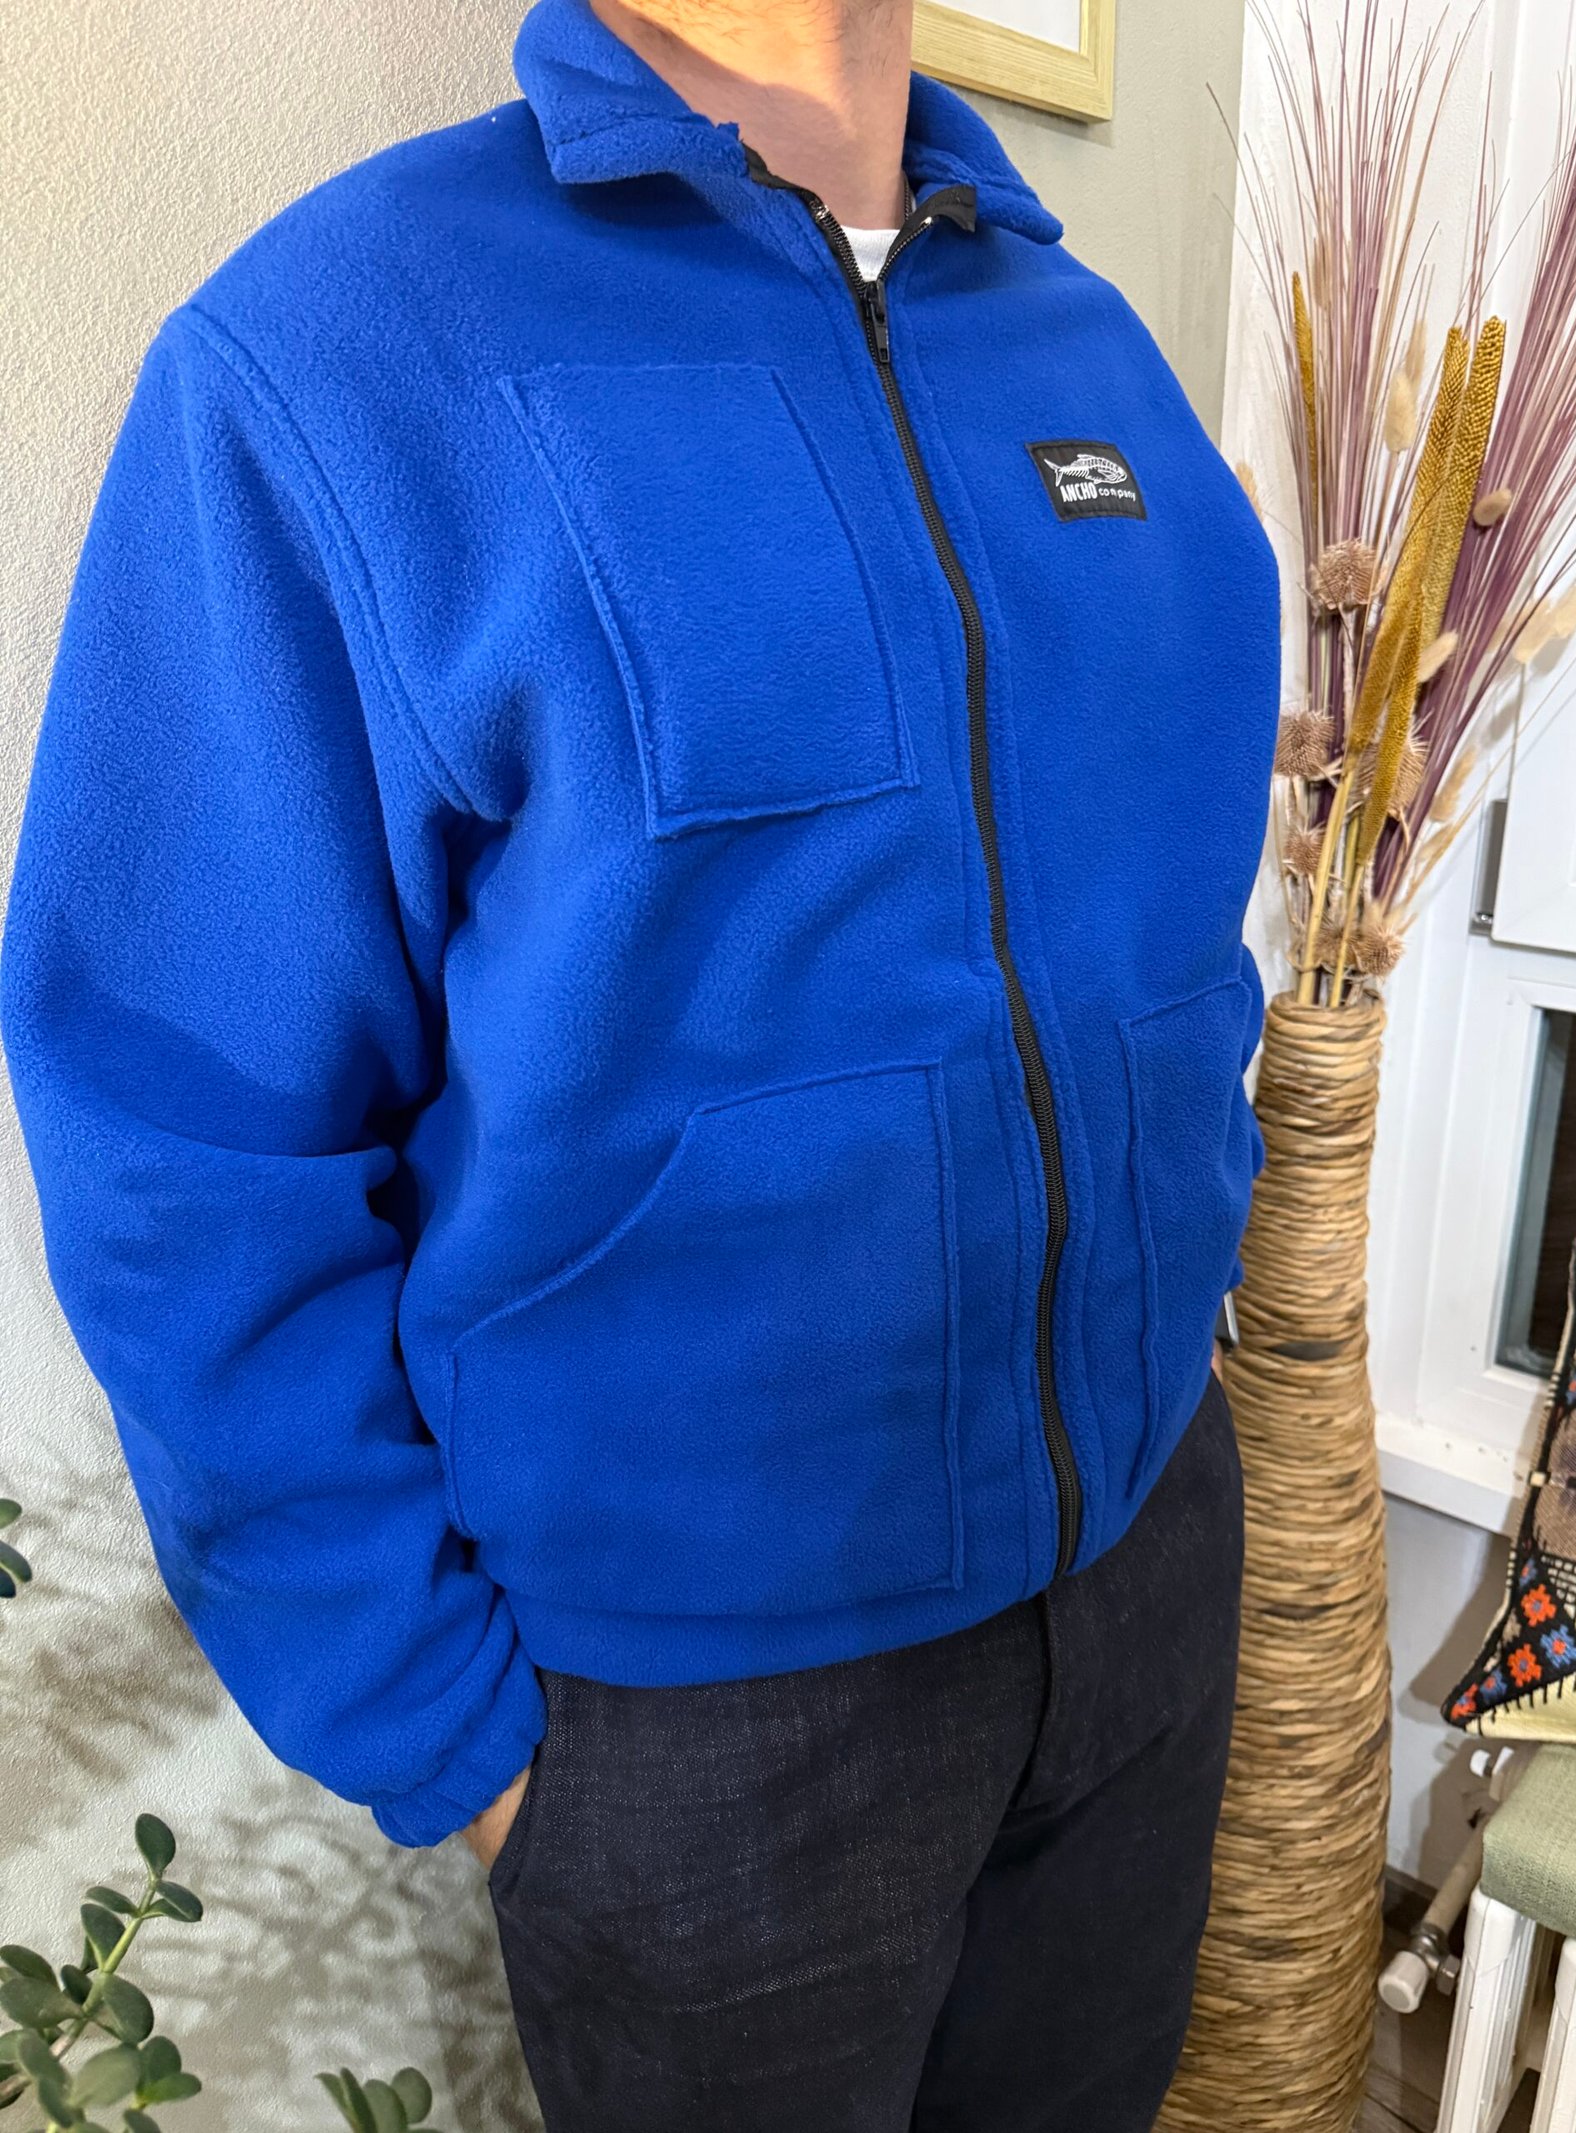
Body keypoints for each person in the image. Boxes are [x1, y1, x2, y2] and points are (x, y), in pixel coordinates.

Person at [2, 0, 1280, 2123]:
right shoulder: (335, 353)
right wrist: (461, 1739)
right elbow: (177, 1133)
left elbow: (1171, 920)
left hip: (1143, 1574)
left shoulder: (1083, 347)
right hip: (701, 1734)